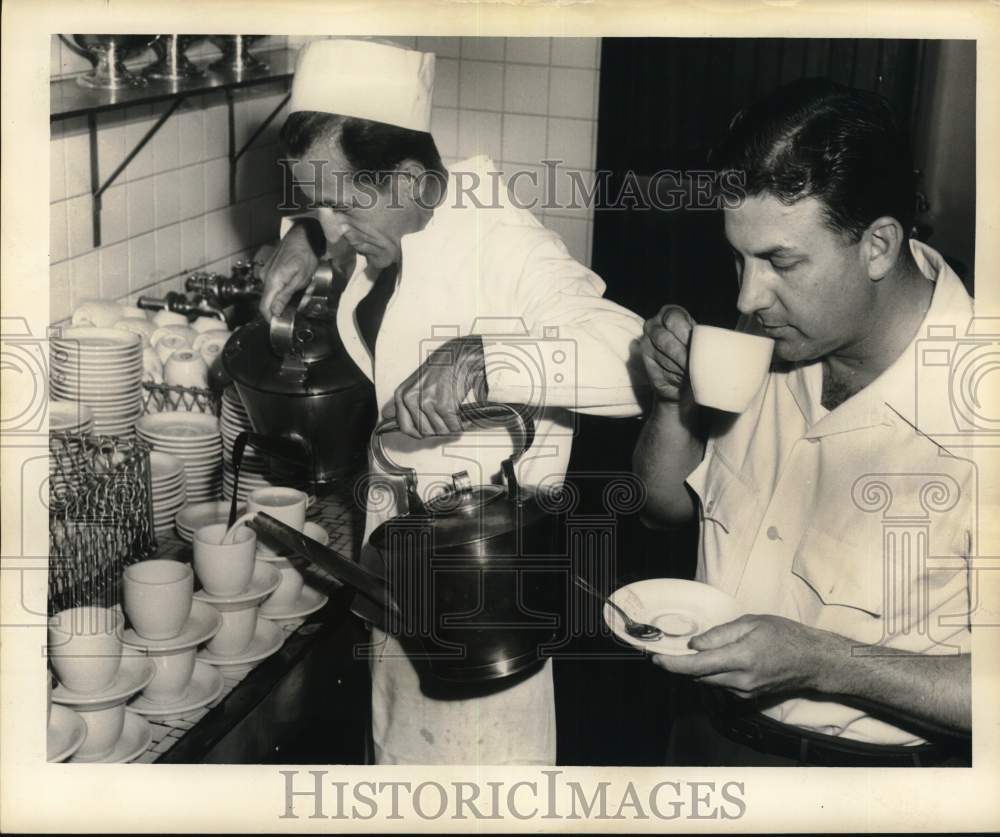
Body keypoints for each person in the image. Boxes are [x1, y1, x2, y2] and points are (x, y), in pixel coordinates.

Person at [259, 38, 646, 765]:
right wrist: (307, 232)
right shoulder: (392, 222)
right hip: (395, 587)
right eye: (317, 203)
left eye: (341, 203)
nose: (334, 223)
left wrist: (480, 356)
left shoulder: (504, 245)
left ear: (408, 177)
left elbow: (631, 361)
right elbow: (346, 231)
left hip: (484, 612)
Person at [633, 78, 975, 766]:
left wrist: (824, 662)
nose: (747, 296)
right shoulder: (766, 333)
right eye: (738, 257)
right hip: (701, 737)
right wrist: (672, 398)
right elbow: (660, 506)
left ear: (877, 245)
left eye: (779, 262)